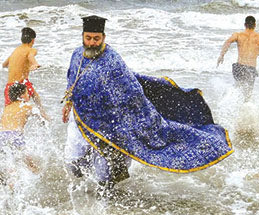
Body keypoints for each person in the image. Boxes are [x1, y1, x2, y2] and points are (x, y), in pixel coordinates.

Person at [61, 15, 232, 189]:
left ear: (103, 37)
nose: (91, 43)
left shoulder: (112, 60)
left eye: (96, 39)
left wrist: (142, 121)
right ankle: (79, 192)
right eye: (88, 38)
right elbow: (72, 78)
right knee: (73, 159)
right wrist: (68, 101)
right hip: (80, 116)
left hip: (111, 123)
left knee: (105, 171)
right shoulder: (77, 54)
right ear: (83, 36)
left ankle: (109, 205)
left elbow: (131, 91)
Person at [0, 82, 40, 186]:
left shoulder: (7, 107)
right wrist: (44, 120)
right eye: (27, 93)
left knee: (0, 166)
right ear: (22, 95)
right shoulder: (27, 105)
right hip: (14, 134)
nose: (29, 95)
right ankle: (38, 182)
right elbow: (40, 116)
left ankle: (0, 189)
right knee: (29, 164)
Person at [217, 16, 259, 99]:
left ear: (245, 24)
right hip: (251, 69)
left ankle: (229, 101)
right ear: (255, 25)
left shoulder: (238, 35)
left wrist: (222, 55)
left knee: (238, 89)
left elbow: (228, 42)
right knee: (248, 94)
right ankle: (245, 108)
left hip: (239, 67)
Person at [2, 27, 47, 117]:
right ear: (33, 40)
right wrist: (34, 64)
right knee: (35, 96)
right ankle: (43, 115)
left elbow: (4, 64)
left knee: (10, 111)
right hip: (21, 85)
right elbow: (30, 56)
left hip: (10, 87)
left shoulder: (16, 50)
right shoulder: (31, 50)